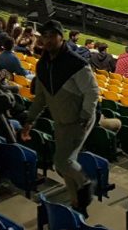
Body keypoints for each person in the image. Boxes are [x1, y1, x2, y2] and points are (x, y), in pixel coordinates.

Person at [20, 20, 99, 215]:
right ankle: (77, 203)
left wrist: (85, 116)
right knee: (64, 164)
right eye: (44, 36)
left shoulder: (77, 63)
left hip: (78, 120)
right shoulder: (42, 65)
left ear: (60, 37)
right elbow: (40, 98)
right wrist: (29, 121)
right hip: (61, 121)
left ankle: (85, 184)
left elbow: (92, 92)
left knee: (62, 162)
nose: (47, 40)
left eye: (51, 36)